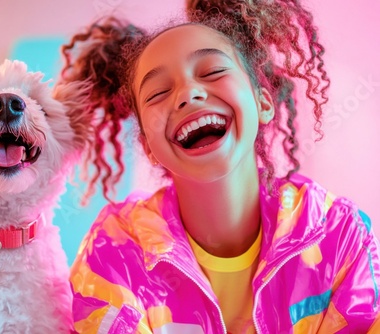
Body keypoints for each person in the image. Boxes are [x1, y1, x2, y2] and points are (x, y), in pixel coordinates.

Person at [60, 1, 380, 333]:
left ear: (262, 102)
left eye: (213, 71)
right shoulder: (114, 250)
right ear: (147, 147)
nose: (188, 94)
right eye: (158, 93)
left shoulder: (338, 235)